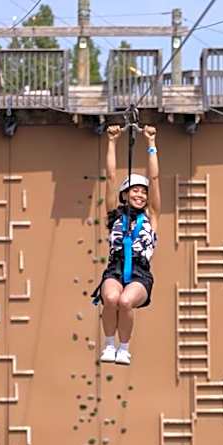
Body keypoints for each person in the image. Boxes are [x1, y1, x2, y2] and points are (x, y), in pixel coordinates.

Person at [91, 124, 160, 366]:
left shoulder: (151, 216)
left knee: (125, 301)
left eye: (143, 192)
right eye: (134, 191)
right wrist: (112, 141)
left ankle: (124, 348)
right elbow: (110, 177)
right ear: (124, 195)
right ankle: (109, 345)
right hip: (116, 268)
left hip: (140, 273)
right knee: (110, 298)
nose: (140, 195)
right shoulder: (115, 216)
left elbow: (154, 178)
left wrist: (151, 144)